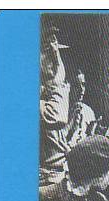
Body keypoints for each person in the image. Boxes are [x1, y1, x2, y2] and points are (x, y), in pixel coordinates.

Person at [39, 24, 70, 186]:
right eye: (47, 50)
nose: (56, 57)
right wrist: (56, 82)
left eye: (56, 49)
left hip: (56, 174)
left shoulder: (47, 93)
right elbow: (56, 116)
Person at [65, 69, 98, 148]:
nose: (81, 89)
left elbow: (90, 141)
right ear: (68, 86)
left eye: (83, 85)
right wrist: (71, 124)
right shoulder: (62, 111)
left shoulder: (88, 111)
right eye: (76, 85)